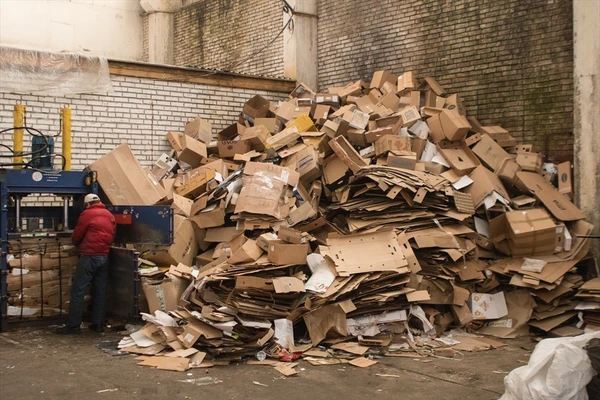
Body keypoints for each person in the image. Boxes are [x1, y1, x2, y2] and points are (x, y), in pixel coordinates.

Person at [55, 194, 116, 334]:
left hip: (89, 256)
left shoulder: (87, 214)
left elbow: (78, 234)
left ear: (87, 204)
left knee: (78, 291)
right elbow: (112, 235)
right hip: (103, 257)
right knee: (99, 291)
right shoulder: (109, 215)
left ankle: (73, 325)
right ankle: (98, 324)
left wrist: (75, 243)